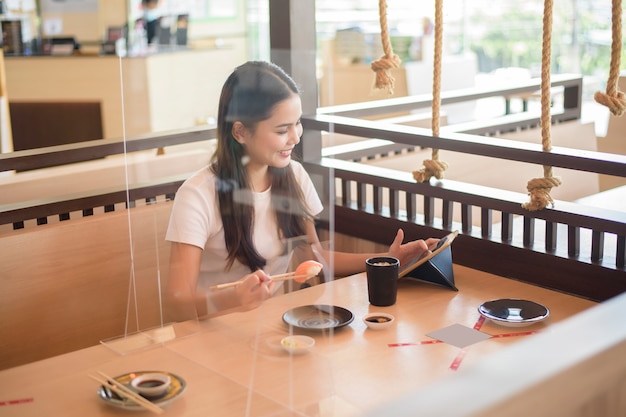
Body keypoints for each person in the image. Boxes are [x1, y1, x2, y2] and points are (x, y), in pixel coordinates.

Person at [165, 61, 435, 319]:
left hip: (271, 326)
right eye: (283, 129)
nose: (295, 137)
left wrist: (386, 259)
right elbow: (177, 304)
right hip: (210, 337)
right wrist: (234, 298)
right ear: (240, 132)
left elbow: (312, 257)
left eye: (297, 124)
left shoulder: (293, 174)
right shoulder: (197, 195)